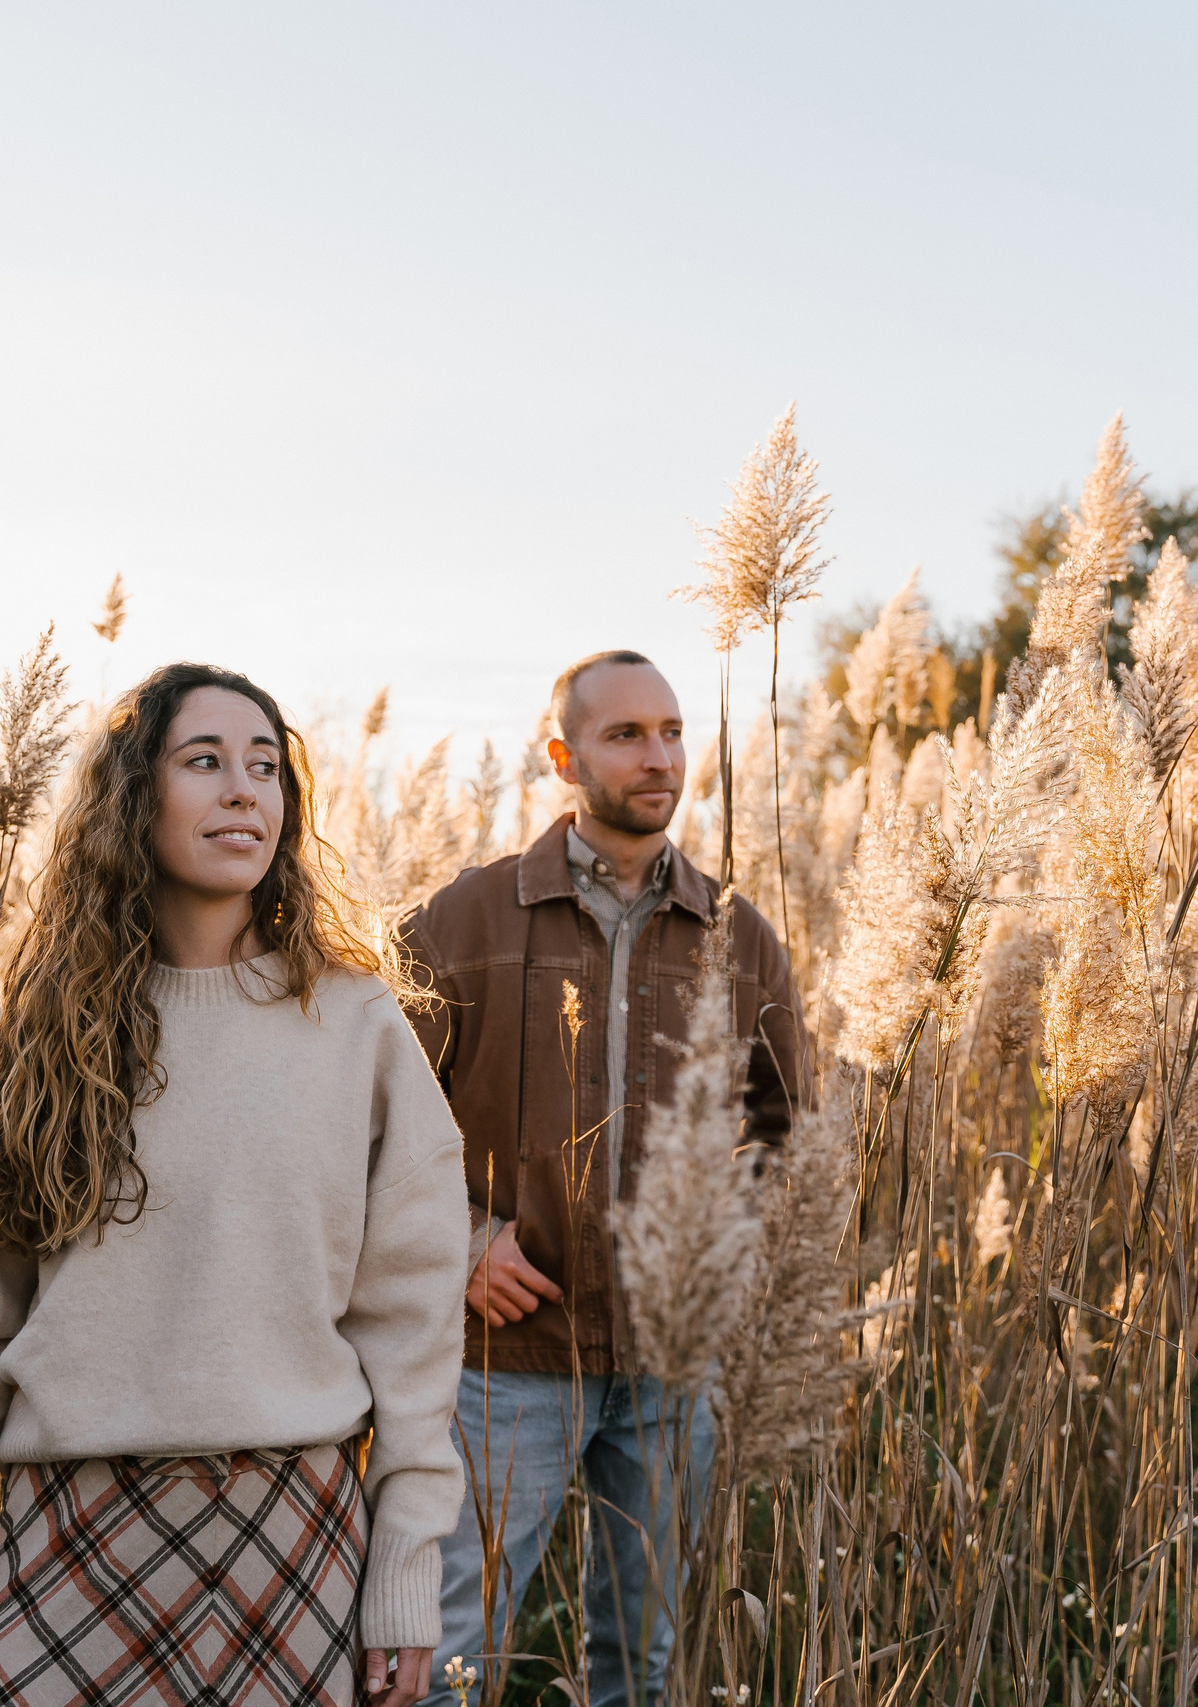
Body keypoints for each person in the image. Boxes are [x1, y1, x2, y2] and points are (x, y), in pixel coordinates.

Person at [0, 662, 472, 1707]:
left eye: (265, 766)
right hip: (68, 1535)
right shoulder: (37, 1044)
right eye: (203, 761)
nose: (244, 789)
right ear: (132, 798)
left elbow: (414, 1334)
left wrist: (403, 1579)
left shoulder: (356, 1028)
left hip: (292, 1534)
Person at [397, 649, 802, 1707]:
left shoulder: (738, 936)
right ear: (562, 755)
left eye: (670, 730)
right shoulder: (465, 920)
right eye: (625, 735)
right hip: (503, 1364)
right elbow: (369, 1119)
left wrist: (716, 1266)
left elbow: (782, 1133)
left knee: (645, 1664)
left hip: (672, 1369)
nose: (658, 755)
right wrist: (461, 1239)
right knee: (446, 1658)